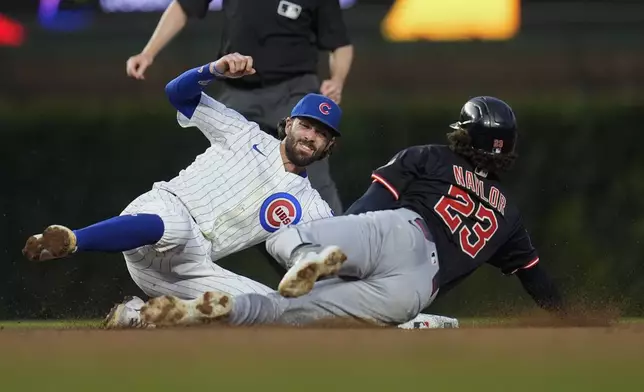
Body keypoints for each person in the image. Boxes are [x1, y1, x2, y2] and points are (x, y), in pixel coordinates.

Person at [23, 53, 455, 330]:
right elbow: (177, 93)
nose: (310, 136)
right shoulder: (242, 132)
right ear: (288, 124)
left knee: (270, 308)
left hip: (184, 268)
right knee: (172, 225)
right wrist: (212, 70)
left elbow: (338, 272)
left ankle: (136, 315)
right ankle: (74, 239)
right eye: (306, 124)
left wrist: (395, 309)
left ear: (330, 147)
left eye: (321, 133)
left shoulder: (313, 207)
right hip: (158, 218)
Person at [133, 96, 566, 328]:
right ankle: (196, 313)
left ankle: (309, 258)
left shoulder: (432, 157)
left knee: (285, 234)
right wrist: (572, 319)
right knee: (290, 316)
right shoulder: (508, 215)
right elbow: (538, 281)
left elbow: (370, 207)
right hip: (415, 289)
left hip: (402, 231)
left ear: (463, 133)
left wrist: (338, 239)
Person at [125, 0, 353, 214]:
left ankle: (333, 249)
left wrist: (338, 80)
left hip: (294, 93)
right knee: (230, 182)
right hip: (239, 92)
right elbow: (183, 6)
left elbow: (340, 43)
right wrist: (148, 52)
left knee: (312, 177)